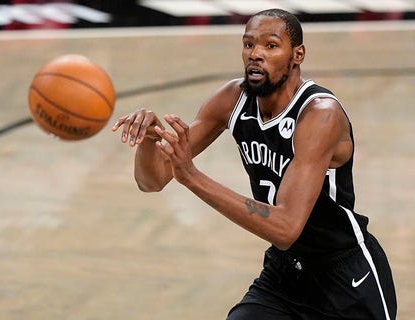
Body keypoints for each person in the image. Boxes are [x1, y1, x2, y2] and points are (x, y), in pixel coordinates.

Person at [112, 8, 397, 320]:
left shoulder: (319, 114)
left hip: (344, 280)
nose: (256, 54)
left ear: (297, 54)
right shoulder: (232, 99)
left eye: (271, 46)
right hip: (284, 274)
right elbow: (151, 181)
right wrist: (151, 142)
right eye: (249, 45)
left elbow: (286, 227)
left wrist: (191, 176)